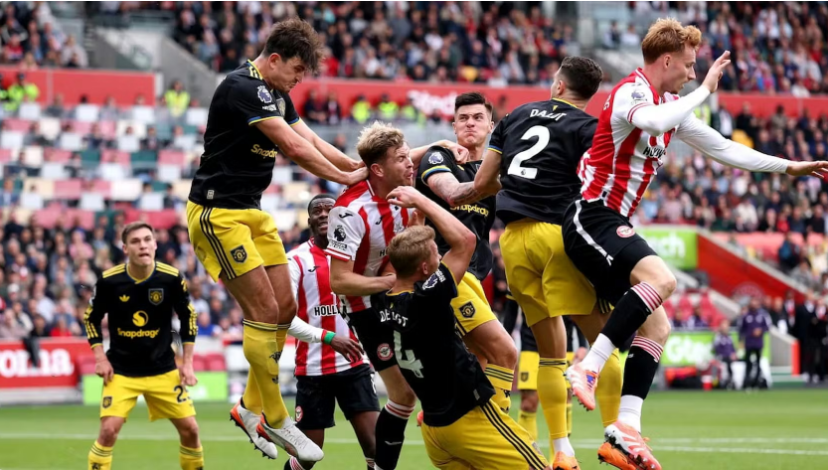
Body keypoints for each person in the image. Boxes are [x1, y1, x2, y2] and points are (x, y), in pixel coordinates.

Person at [561, 18, 828, 470]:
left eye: (695, 68)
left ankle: (625, 430)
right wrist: (704, 90)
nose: (691, 72)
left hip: (612, 223)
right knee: (663, 280)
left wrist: (788, 167)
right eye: (688, 65)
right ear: (666, 60)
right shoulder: (630, 93)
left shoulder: (672, 106)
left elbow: (724, 148)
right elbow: (653, 120)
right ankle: (588, 366)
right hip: (589, 215)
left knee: (658, 327)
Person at [186, 18, 366, 463]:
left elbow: (312, 139)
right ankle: (276, 417)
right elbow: (294, 148)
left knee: (285, 310)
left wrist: (356, 169)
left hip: (253, 213)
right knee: (264, 312)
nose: (300, 79)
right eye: (298, 70)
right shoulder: (242, 88)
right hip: (218, 214)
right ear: (274, 60)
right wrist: (345, 179)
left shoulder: (276, 95)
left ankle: (248, 408)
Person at [473, 56, 623, 468]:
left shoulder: (514, 116)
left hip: (514, 242)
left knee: (550, 354)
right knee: (605, 343)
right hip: (559, 235)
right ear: (589, 94)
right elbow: (602, 187)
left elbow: (483, 182)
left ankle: (562, 451)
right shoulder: (590, 128)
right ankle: (617, 437)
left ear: (558, 84)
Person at [372, 186, 550, 470]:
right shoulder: (428, 299)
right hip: (469, 421)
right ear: (425, 269)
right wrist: (422, 200)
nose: (440, 257)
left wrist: (417, 226)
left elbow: (405, 261)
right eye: (436, 254)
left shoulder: (383, 301)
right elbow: (466, 240)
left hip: (434, 431)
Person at [416, 92, 517, 414]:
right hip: (444, 273)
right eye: (463, 118)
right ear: (453, 126)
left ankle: (448, 421)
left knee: (480, 359)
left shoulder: (492, 169)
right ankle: (499, 424)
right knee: (505, 352)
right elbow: (452, 193)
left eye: (477, 118)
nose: (470, 123)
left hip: (474, 277)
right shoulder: (438, 157)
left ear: (491, 126)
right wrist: (510, 178)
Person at [327, 122, 418, 470]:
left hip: (394, 294)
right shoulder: (349, 210)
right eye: (402, 158)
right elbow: (339, 281)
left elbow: (404, 161)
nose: (410, 164)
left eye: (409, 156)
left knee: (415, 390)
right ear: (378, 169)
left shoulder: (402, 188)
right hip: (364, 304)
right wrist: (390, 281)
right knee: (403, 394)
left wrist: (443, 143)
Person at [83, 222, 202, 470]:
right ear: (125, 248)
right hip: (121, 371)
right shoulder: (109, 281)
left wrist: (188, 363)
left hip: (163, 369)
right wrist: (100, 358)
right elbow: (91, 318)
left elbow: (188, 317)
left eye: (148, 239)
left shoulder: (171, 278)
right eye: (135, 241)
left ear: (155, 244)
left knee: (191, 429)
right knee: (108, 431)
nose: (143, 245)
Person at [284, 194, 380, 470]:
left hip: (354, 365)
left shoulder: (358, 256)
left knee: (376, 447)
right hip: (313, 370)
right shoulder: (296, 260)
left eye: (330, 209)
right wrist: (327, 337)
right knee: (307, 457)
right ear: (309, 220)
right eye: (318, 211)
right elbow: (284, 319)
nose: (324, 214)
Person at [738, 299, 771, 390]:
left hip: (758, 343)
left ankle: (756, 382)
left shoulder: (761, 315)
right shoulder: (746, 316)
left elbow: (767, 327)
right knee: (748, 363)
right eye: (752, 303)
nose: (754, 305)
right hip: (749, 343)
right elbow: (741, 329)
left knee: (758, 363)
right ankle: (747, 382)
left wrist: (760, 330)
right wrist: (741, 341)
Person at [712, 319, 736, 389]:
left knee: (731, 364)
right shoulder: (718, 337)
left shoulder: (729, 337)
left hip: (728, 358)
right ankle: (718, 384)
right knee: (720, 365)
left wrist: (733, 354)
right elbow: (714, 347)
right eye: (724, 325)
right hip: (721, 358)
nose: (726, 327)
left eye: (727, 325)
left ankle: (730, 382)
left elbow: (733, 348)